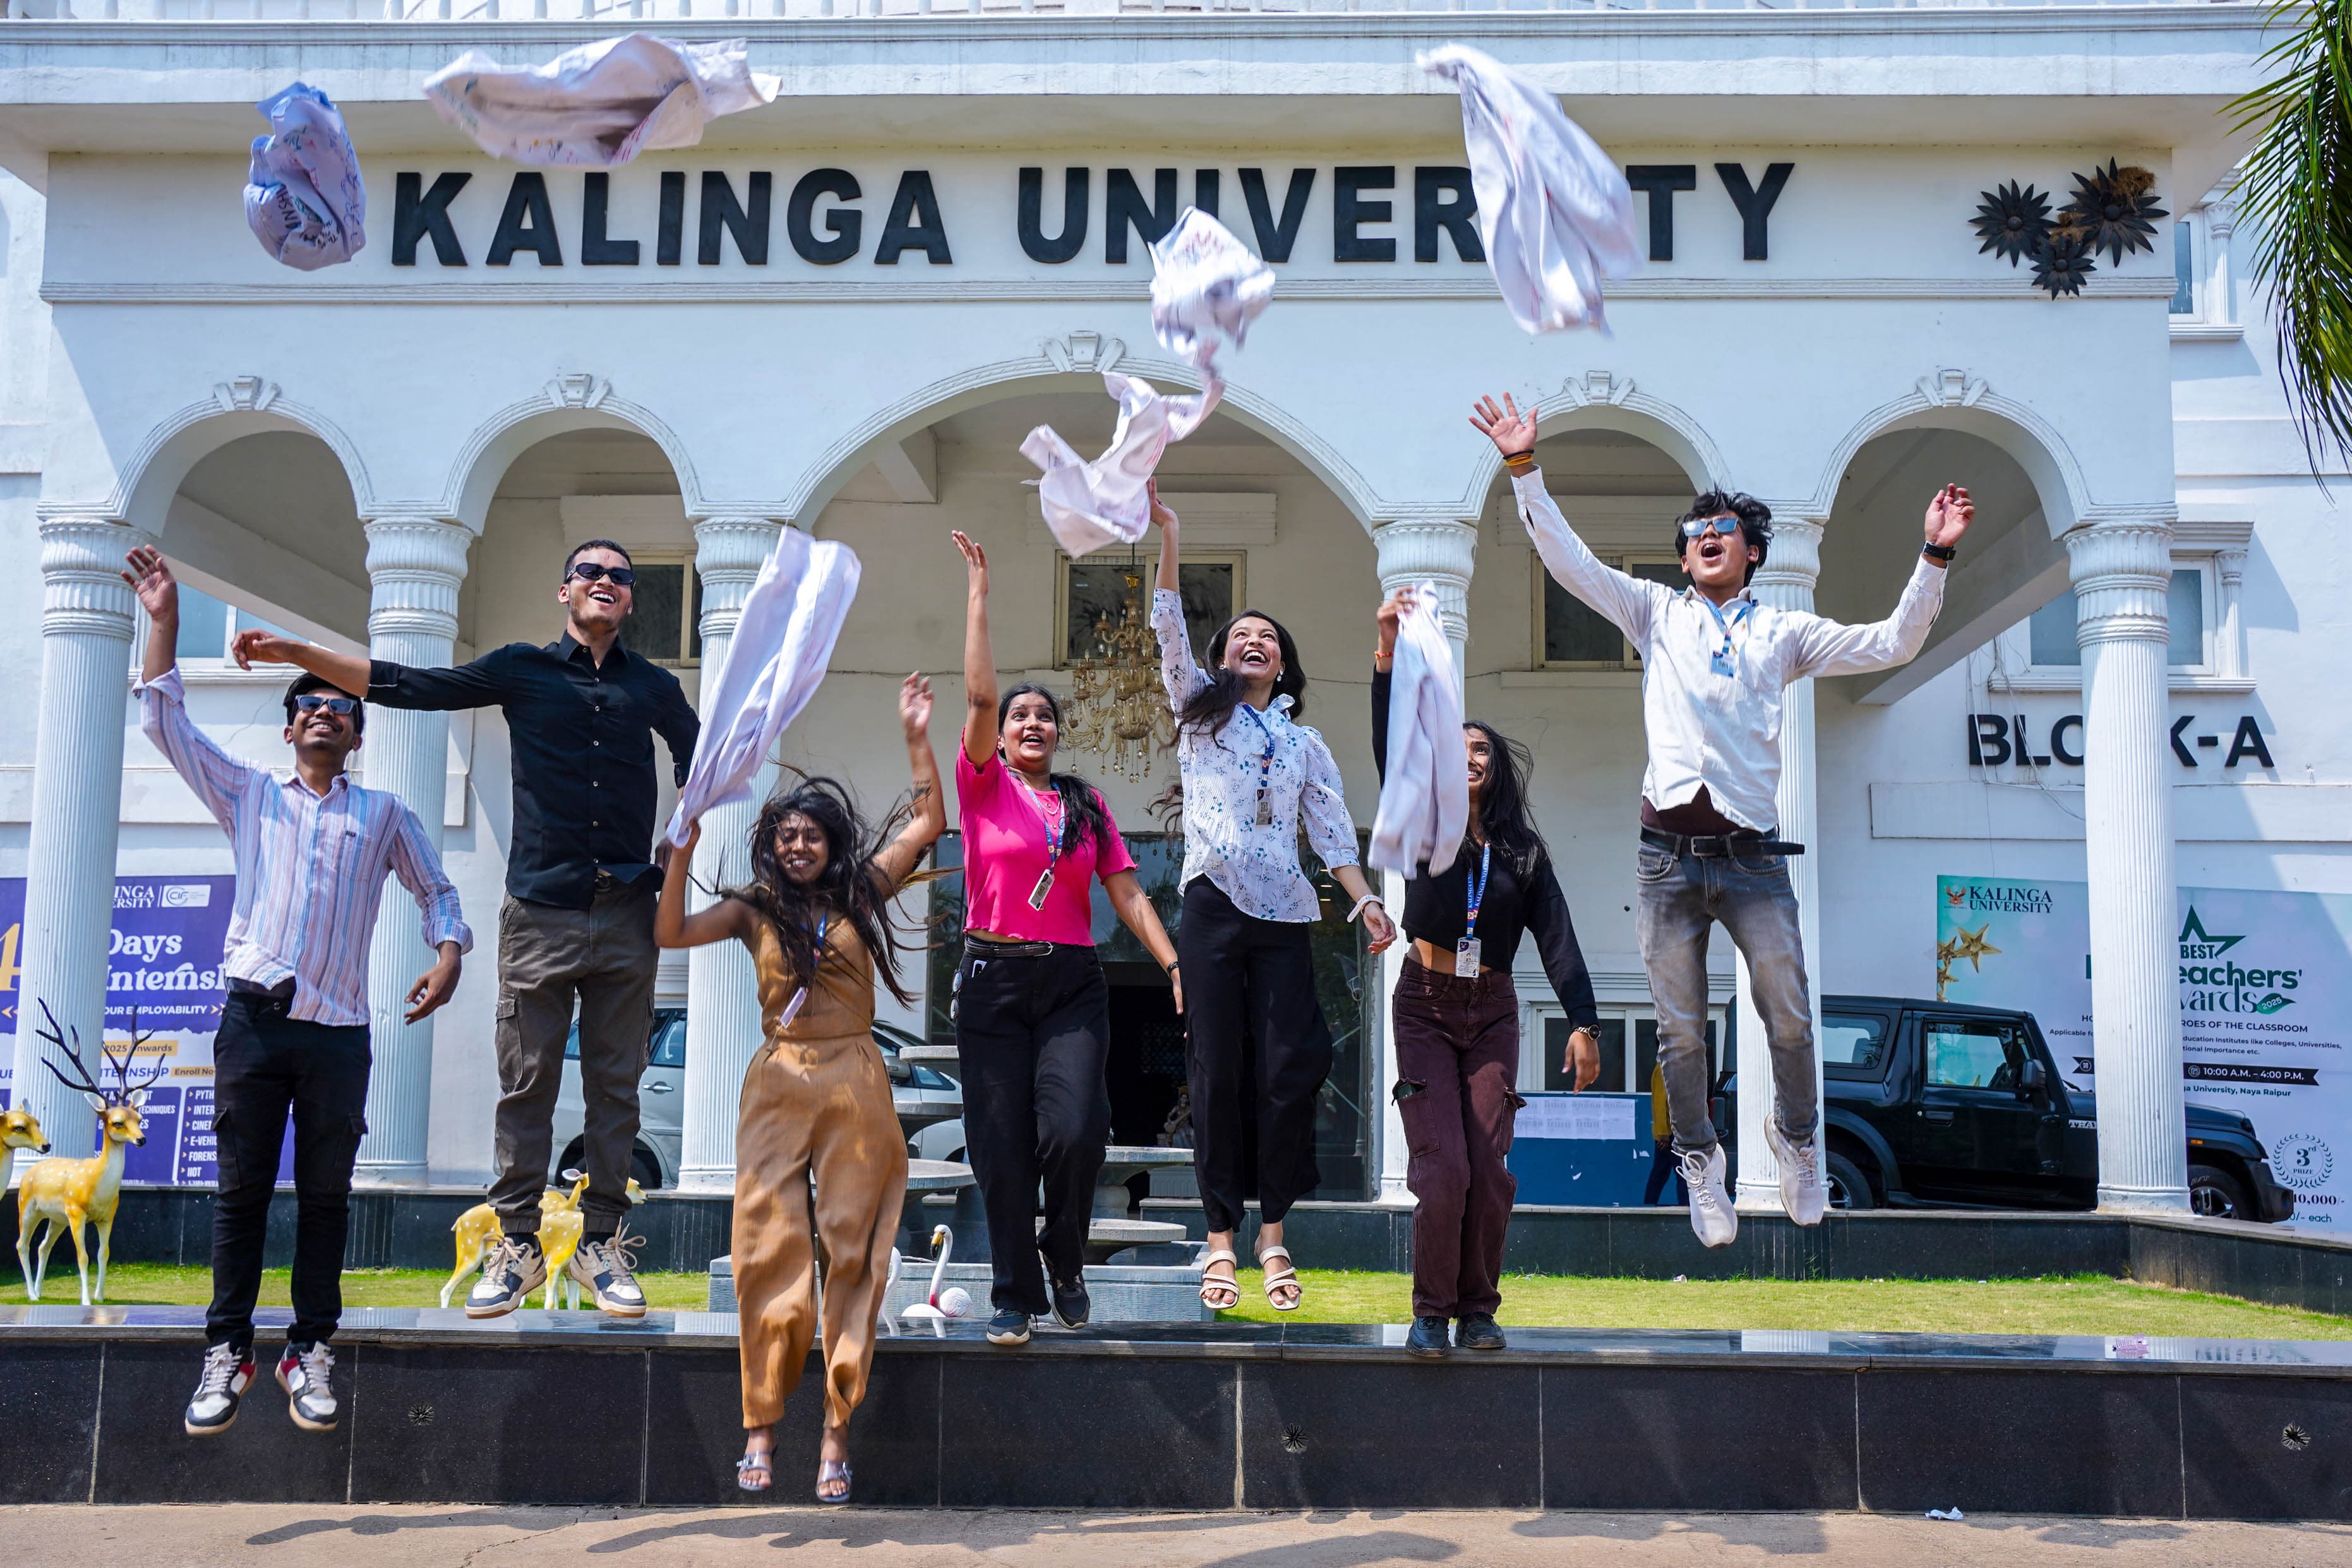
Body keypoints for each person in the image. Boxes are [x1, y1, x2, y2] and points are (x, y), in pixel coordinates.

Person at [1472, 393, 1972, 1248]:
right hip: (1665, 860)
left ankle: (1798, 1141)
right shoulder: (1655, 613)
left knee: (1789, 1012)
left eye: (1723, 526)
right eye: (1695, 527)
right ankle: (1702, 1159)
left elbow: (1890, 642)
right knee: (1681, 1029)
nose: (1707, 534)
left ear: (1750, 551)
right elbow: (1571, 563)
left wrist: (1932, 555)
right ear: (1683, 554)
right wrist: (1525, 468)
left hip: (1750, 860)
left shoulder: (1783, 631)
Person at [233, 539, 699, 1317]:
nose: (606, 582)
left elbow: (703, 757)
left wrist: (676, 838)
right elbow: (407, 684)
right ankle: (516, 1243)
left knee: (616, 1088)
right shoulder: (523, 668)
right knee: (528, 1081)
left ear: (629, 598)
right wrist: (295, 649)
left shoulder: (653, 687)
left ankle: (601, 1244)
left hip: (626, 909)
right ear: (565, 591)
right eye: (590, 571)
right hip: (539, 910)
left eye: (620, 575)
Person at [121, 548, 470, 1438]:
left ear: (357, 732)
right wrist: (164, 620)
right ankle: (226, 1350)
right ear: (288, 730)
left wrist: (449, 951)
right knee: (238, 1196)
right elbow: (167, 723)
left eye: (338, 707)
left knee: (325, 1199)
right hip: (253, 1022)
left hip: (338, 1035)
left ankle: (308, 1349)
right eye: (307, 705)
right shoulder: (248, 793)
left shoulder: (384, 811)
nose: (322, 713)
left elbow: (438, 889)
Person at [655, 673, 943, 1504]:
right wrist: (681, 848)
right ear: (770, 846)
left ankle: (835, 1435)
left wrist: (917, 734)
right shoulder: (754, 908)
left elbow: (927, 821)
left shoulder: (862, 891)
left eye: (811, 834)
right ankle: (761, 1426)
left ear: (833, 842)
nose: (797, 845)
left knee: (853, 1248)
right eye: (784, 835)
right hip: (778, 1080)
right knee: (765, 1248)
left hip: (854, 1075)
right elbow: (668, 931)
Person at [1148, 484, 1398, 1314]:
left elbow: (1330, 835)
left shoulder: (1304, 740)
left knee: (1296, 1064)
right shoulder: (1198, 711)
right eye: (1241, 635)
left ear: (1282, 665)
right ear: (1223, 660)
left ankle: (1274, 1227)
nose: (1254, 641)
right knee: (1217, 1071)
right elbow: (1170, 631)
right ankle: (1223, 1241)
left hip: (1286, 912)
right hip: (1215, 906)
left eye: (1268, 638)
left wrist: (1364, 902)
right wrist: (1172, 535)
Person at [949, 531, 1184, 1346]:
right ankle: (1014, 1293)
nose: (1031, 722)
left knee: (1077, 1128)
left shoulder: (1085, 806)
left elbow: (1125, 891)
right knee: (1002, 1147)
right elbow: (978, 699)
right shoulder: (983, 792)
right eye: (1021, 715)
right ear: (1003, 737)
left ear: (1058, 733)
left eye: (1045, 715)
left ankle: (1065, 1253)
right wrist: (980, 598)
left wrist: (1172, 959)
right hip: (991, 980)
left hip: (1073, 983)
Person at [1372, 587, 1602, 1358]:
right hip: (1424, 1004)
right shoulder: (1424, 819)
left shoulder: (1522, 853)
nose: (1468, 756)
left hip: (1494, 1007)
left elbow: (1559, 937)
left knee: (1487, 1169)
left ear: (1497, 770)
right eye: (1458, 746)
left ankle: (1478, 1311)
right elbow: (1388, 741)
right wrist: (1386, 656)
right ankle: (1430, 1312)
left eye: (1482, 750)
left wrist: (1583, 1023)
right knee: (1441, 1170)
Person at [1640, 1058, 1688, 1207]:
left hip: (1669, 1133)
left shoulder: (1667, 1067)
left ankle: (1648, 1207)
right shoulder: (1664, 1069)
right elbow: (1661, 1103)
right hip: (1669, 1135)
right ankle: (1686, 1208)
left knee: (1660, 1173)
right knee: (1683, 1174)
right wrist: (1663, 1134)